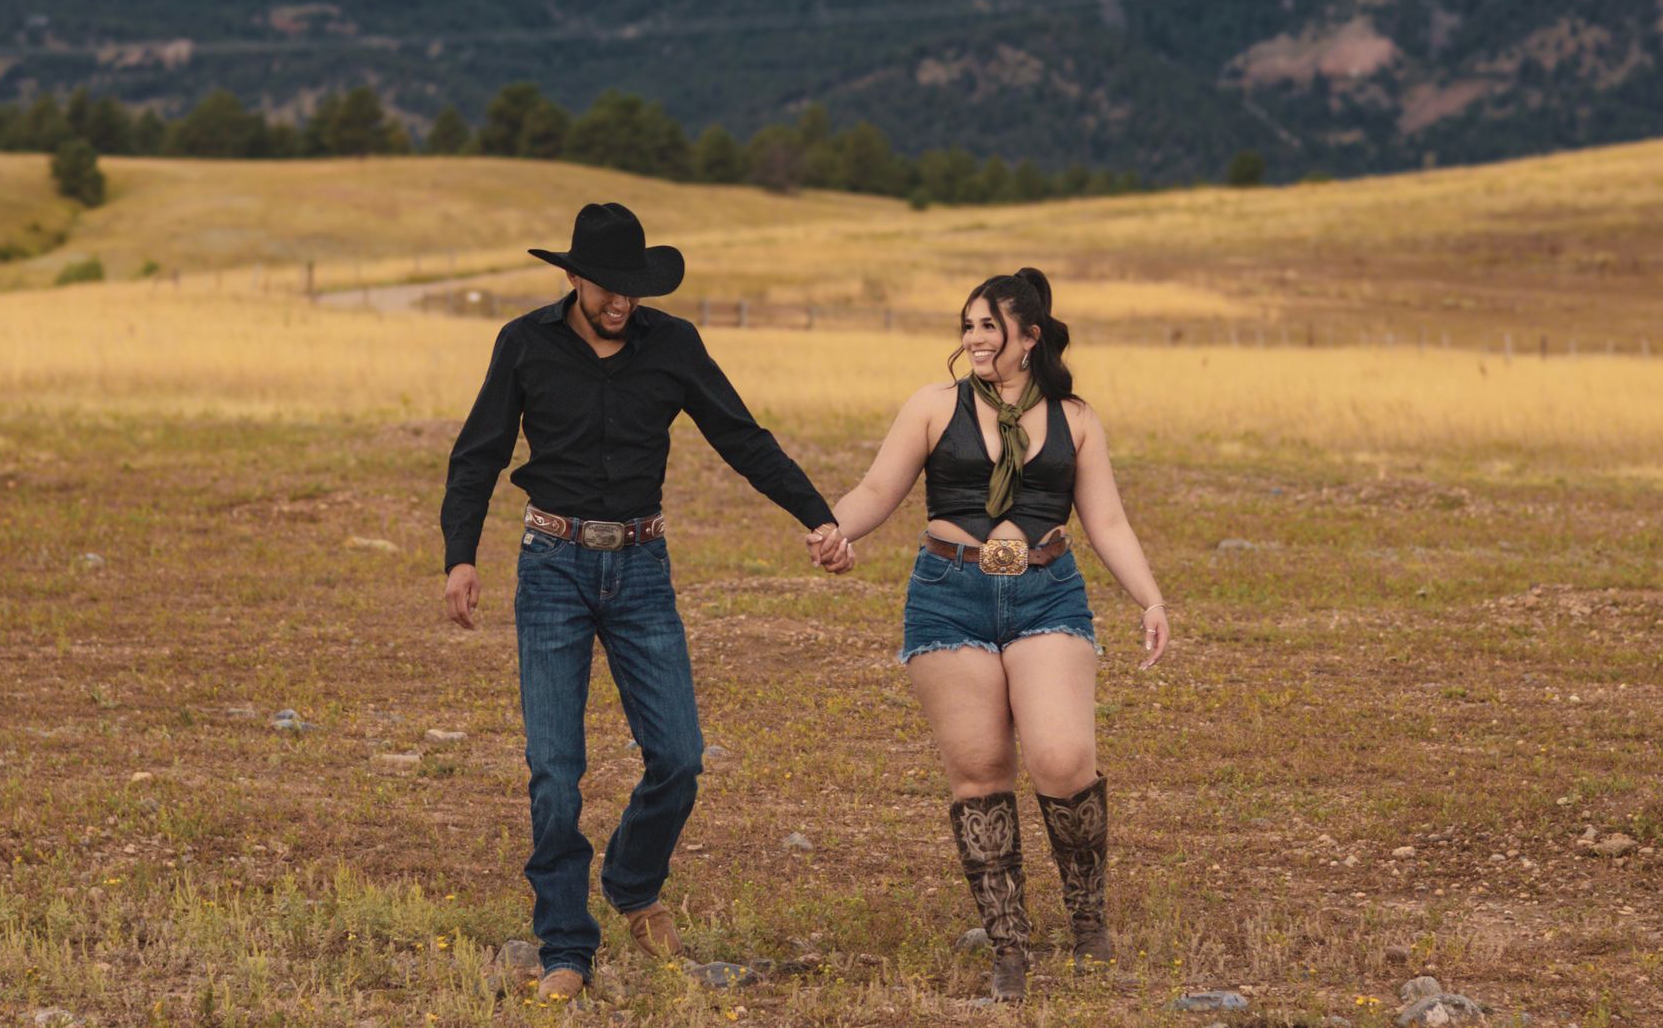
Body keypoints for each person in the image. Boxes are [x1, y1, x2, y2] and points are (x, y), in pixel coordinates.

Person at [440, 201, 850, 1002]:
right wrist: (460, 556)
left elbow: (743, 437)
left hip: (641, 568)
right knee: (556, 770)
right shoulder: (524, 343)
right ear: (574, 278)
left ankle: (632, 881)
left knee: (679, 755)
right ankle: (565, 946)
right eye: (608, 287)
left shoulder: (675, 346)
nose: (623, 301)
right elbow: (478, 454)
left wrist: (818, 514)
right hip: (551, 564)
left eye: (634, 287)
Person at [809, 267, 1169, 1002]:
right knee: (979, 768)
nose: (973, 338)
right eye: (967, 325)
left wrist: (1149, 598)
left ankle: (1088, 920)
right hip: (950, 594)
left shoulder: (1077, 418)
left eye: (988, 326)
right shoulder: (933, 407)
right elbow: (880, 489)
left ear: (1029, 336)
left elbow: (1106, 521)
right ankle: (1010, 947)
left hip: (1047, 589)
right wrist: (833, 530)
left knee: (1063, 759)